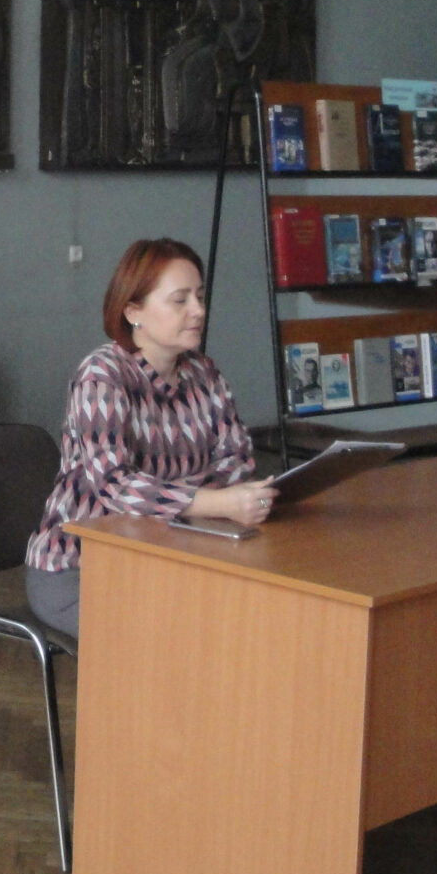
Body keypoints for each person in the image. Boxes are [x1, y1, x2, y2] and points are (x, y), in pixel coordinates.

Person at [25, 238, 276, 639]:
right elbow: (114, 485)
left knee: (246, 619)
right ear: (133, 311)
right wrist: (214, 502)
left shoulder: (203, 372)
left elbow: (238, 459)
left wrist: (189, 501)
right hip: (80, 569)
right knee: (169, 639)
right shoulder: (102, 376)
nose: (198, 310)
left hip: (172, 554)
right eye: (180, 300)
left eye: (199, 297)